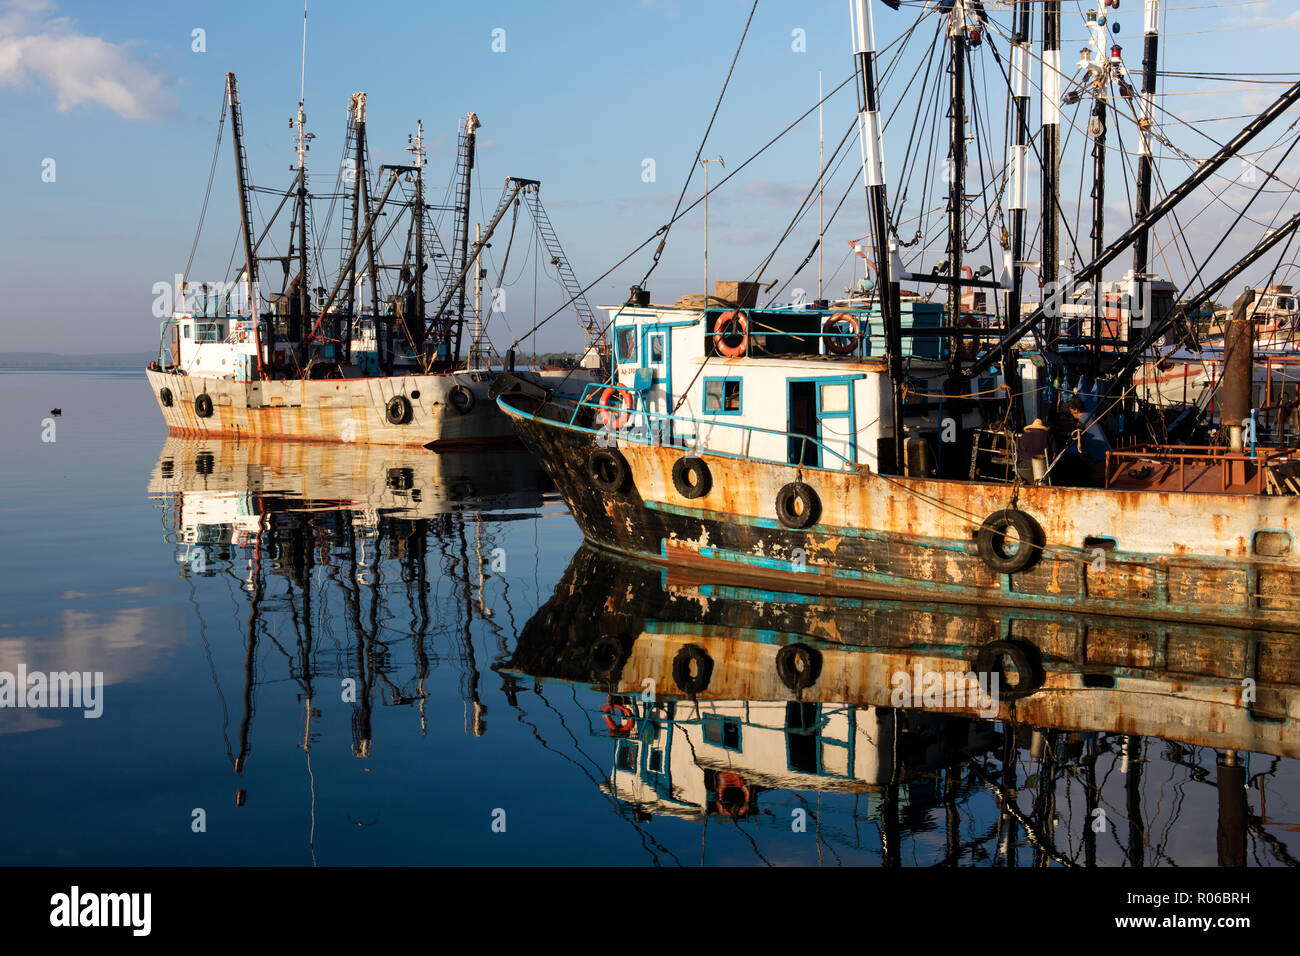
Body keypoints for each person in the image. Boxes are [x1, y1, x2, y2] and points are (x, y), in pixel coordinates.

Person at [1017, 418, 1055, 483]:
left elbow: (1019, 452)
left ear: (1031, 428)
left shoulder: (1023, 436)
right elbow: (1054, 454)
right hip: (1041, 467)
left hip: (1024, 467)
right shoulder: (1047, 435)